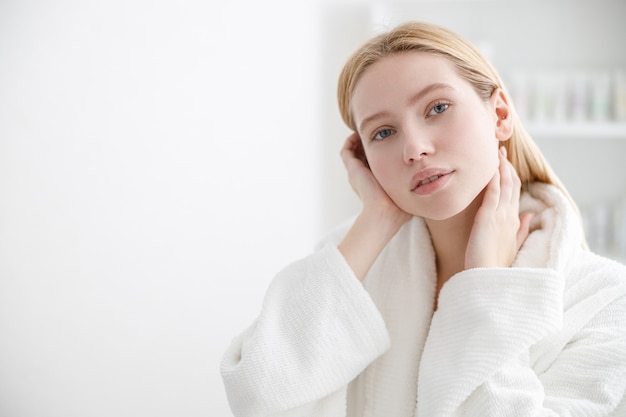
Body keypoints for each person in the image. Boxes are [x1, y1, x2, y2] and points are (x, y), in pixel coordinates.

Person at [220, 21, 626, 417]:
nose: (413, 148)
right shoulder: (353, 265)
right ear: (363, 157)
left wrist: (485, 292)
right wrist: (376, 217)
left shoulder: (605, 300)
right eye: (382, 133)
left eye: (437, 108)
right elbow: (259, 397)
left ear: (500, 114)